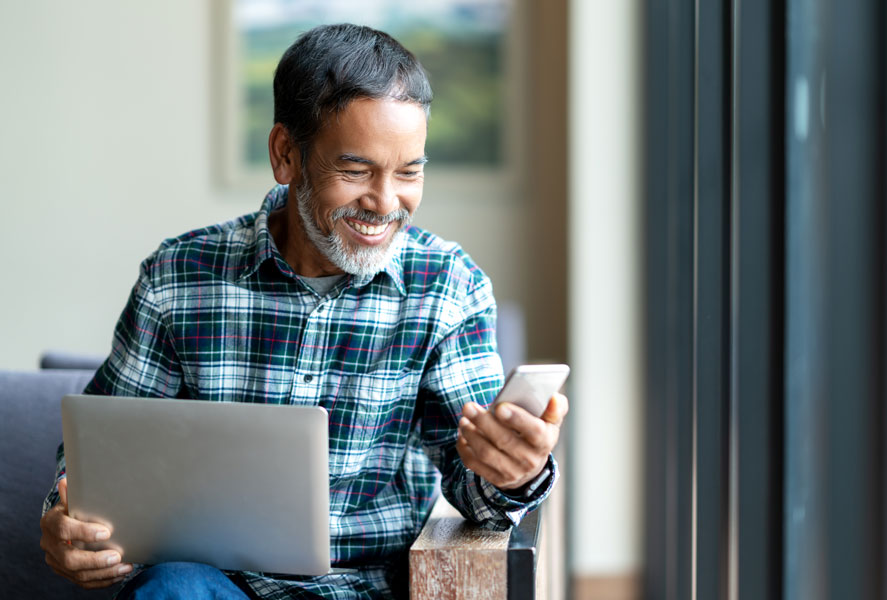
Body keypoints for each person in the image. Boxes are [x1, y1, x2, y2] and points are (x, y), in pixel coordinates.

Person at [38, 24, 567, 600]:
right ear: (286, 154)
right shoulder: (178, 277)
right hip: (212, 584)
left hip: (374, 586)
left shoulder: (447, 286)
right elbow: (101, 456)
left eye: (409, 171)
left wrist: (513, 473)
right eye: (356, 170)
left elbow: (476, 494)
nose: (386, 204)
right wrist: (70, 518)